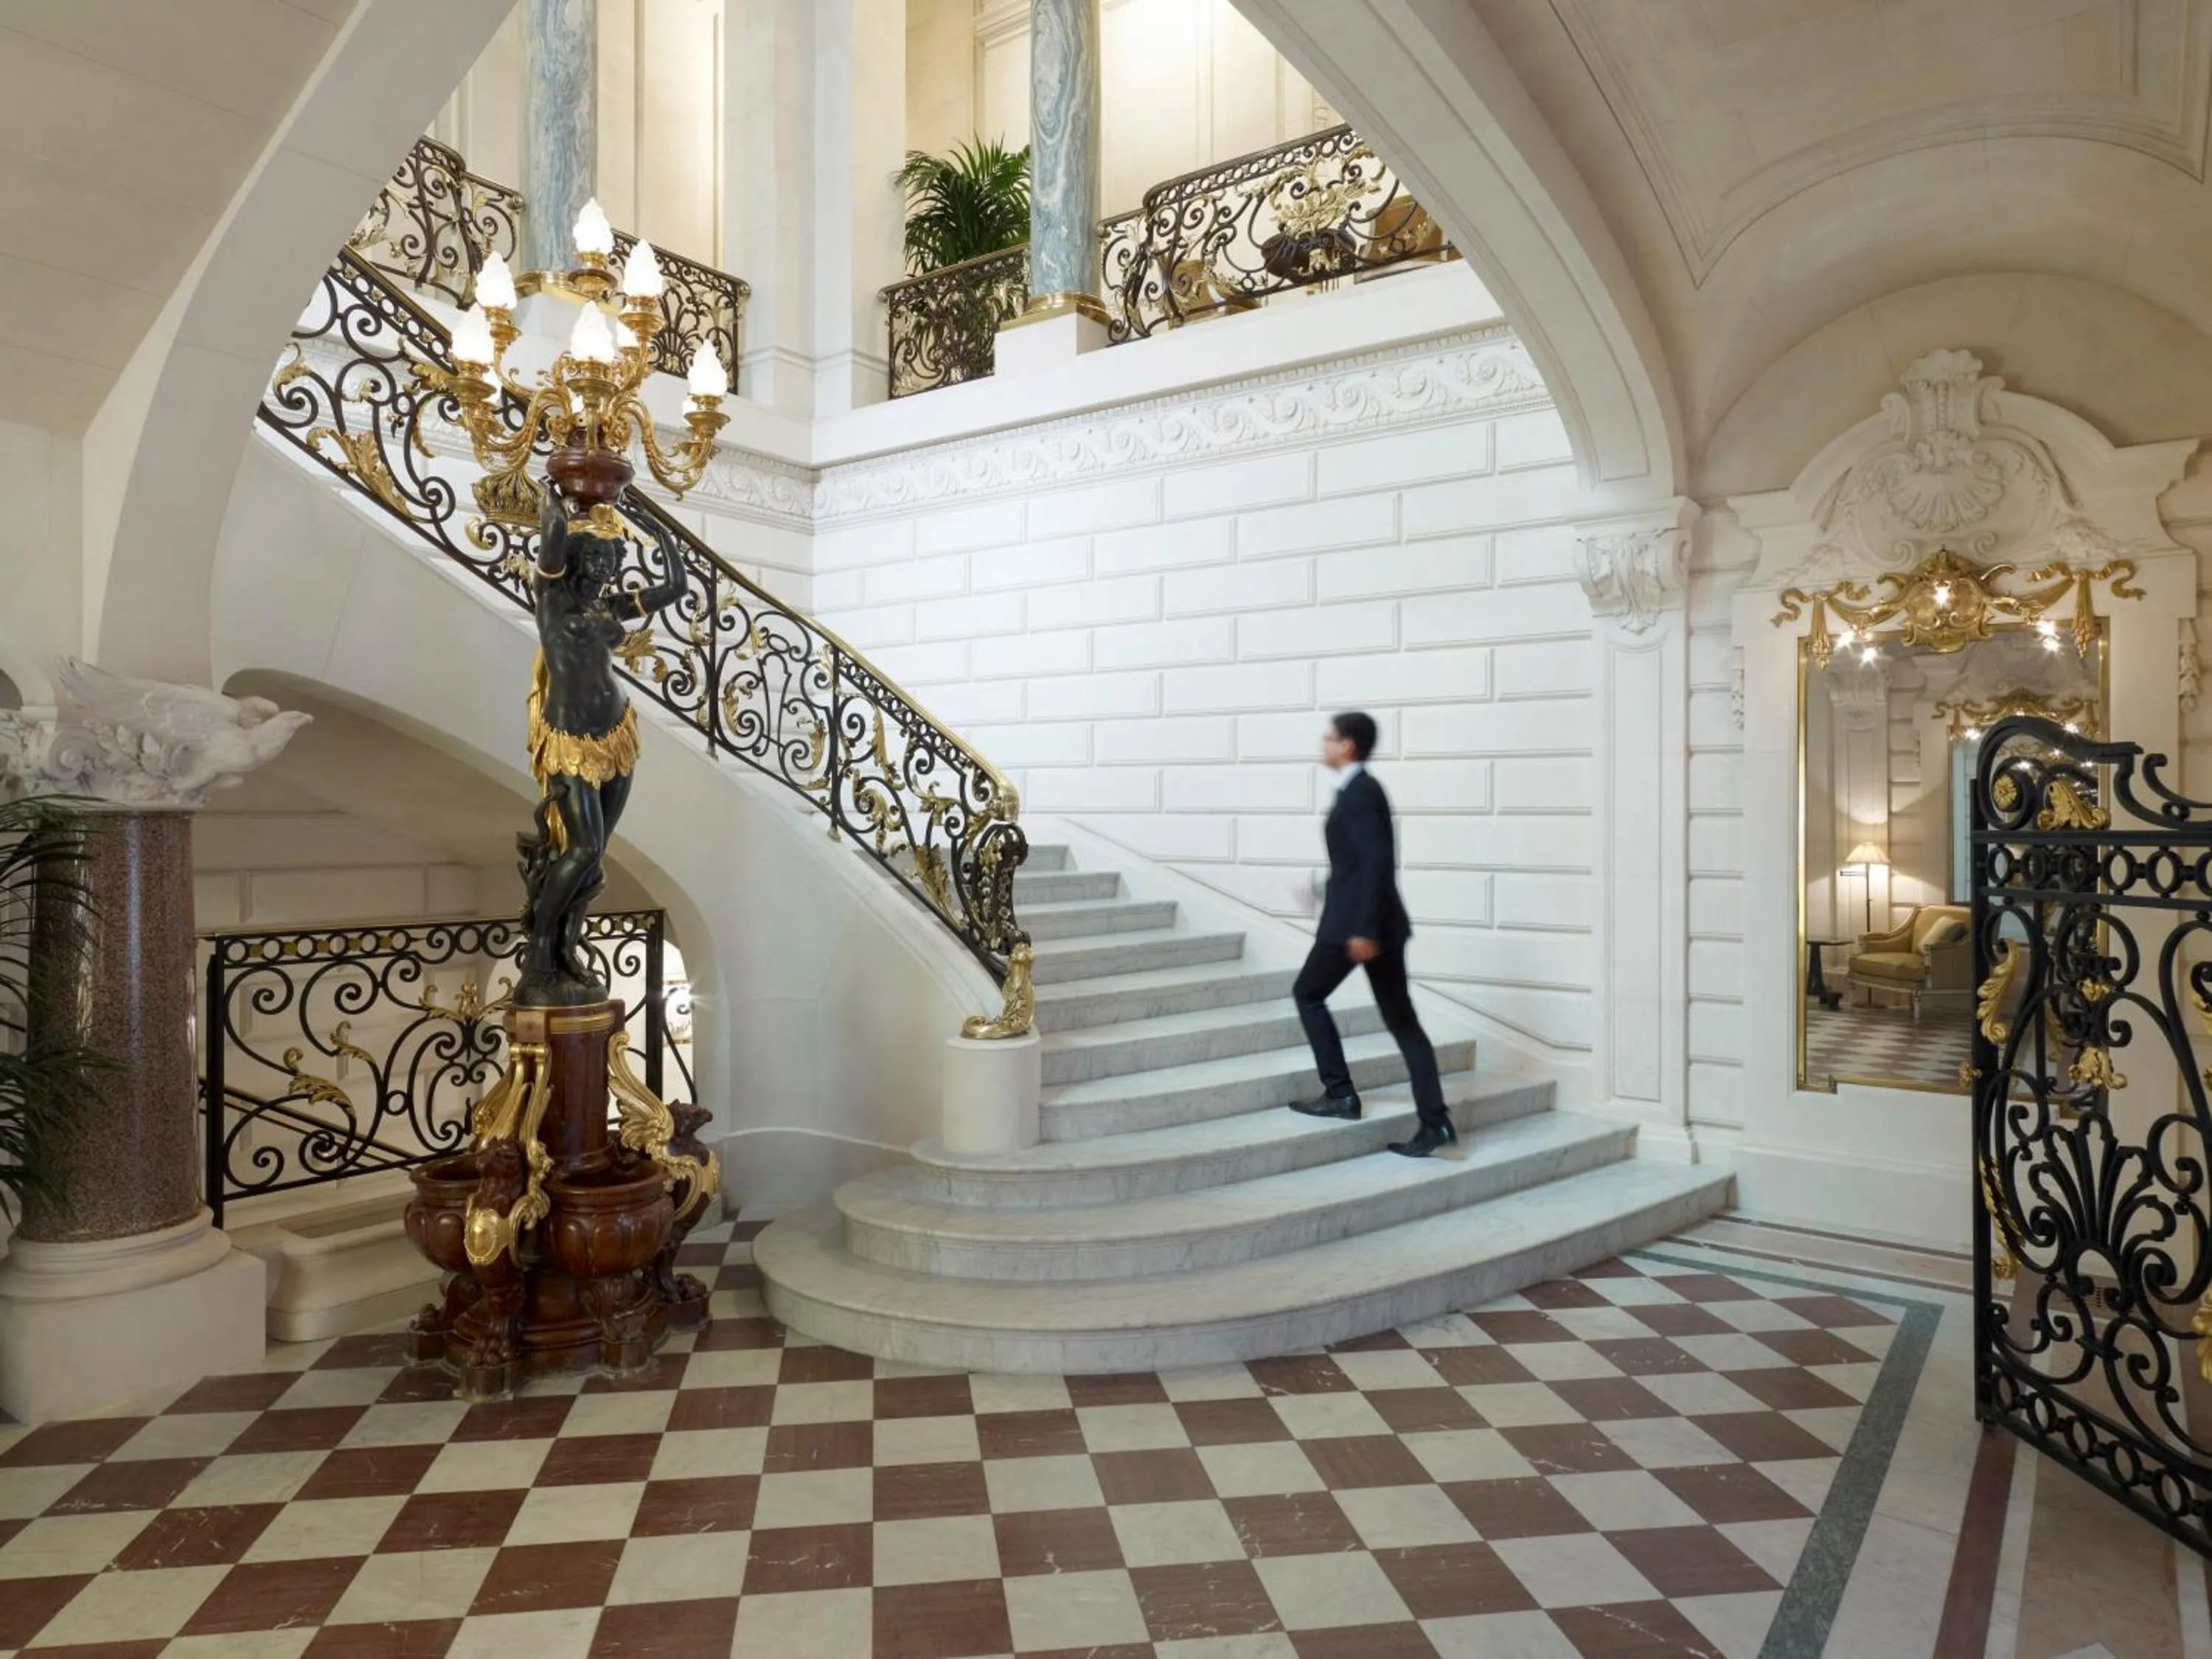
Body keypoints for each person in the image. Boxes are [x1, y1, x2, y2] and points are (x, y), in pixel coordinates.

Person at [517, 481, 689, 1004]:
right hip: (569, 740)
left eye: (610, 556)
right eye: (593, 554)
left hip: (616, 734)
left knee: (595, 857)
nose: (603, 566)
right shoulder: (553, 599)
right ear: (574, 556)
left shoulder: (611, 606)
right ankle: (540, 950)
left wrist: (662, 532)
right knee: (582, 846)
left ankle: (569, 946)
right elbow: (550, 539)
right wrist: (556, 506)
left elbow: (676, 589)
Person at [1289, 712, 1454, 1157]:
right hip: (1370, 921)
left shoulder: (1361, 792)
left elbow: (1379, 861)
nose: (1323, 744)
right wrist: (1323, 888)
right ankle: (1434, 1123)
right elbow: (1359, 863)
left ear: (1347, 745)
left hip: (1358, 927)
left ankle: (1341, 1094)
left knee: (1308, 993)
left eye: (1329, 738)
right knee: (1403, 1024)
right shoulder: (1358, 790)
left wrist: (1364, 929)